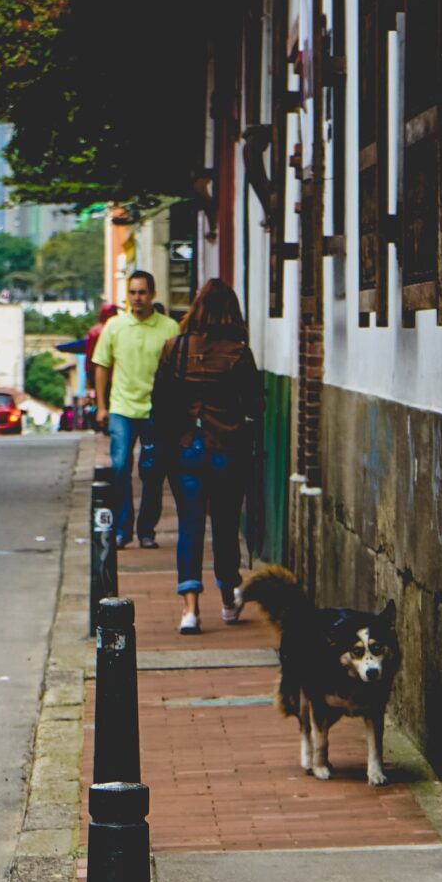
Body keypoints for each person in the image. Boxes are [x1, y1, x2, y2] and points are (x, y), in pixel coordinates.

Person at [149, 278, 264, 634]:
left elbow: (159, 401)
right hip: (226, 449)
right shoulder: (238, 352)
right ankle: (228, 597)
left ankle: (190, 610)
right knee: (226, 526)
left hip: (184, 449)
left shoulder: (174, 348)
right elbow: (256, 404)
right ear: (232, 311)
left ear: (197, 308)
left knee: (190, 525)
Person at [90, 271, 177, 549]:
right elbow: (101, 366)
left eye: (142, 293)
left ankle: (146, 529)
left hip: (157, 411)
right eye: (132, 293)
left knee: (152, 472)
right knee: (119, 467)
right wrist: (102, 406)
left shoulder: (169, 328)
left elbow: (177, 372)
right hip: (122, 409)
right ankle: (122, 529)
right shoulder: (115, 327)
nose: (137, 298)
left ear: (152, 295)